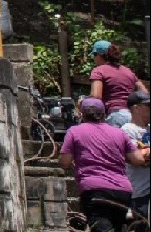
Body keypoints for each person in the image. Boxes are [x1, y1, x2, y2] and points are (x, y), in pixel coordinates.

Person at [60, 96, 149, 232]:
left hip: (94, 190)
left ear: (82, 114)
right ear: (104, 114)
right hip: (122, 191)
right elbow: (138, 159)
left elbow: (65, 162)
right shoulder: (119, 133)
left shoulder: (74, 131)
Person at [90, 40, 148, 127]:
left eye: (94, 55)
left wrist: (83, 102)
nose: (94, 58)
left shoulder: (99, 71)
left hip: (115, 116)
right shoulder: (128, 71)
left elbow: (96, 97)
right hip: (133, 116)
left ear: (99, 55)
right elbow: (145, 93)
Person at [123, 90, 151, 231]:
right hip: (138, 193)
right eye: (148, 106)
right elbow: (137, 158)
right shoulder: (127, 130)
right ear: (136, 108)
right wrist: (144, 155)